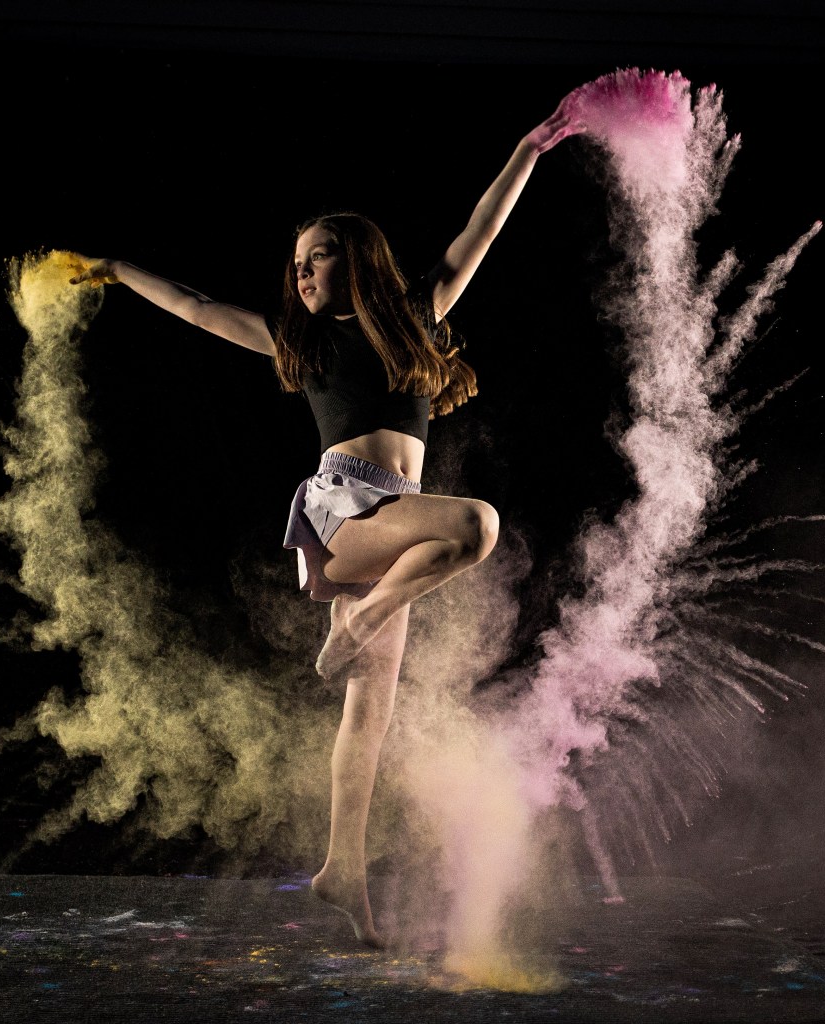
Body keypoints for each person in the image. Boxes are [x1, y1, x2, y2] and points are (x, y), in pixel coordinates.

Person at [69, 91, 585, 947]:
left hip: (395, 527)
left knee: (369, 713)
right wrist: (119, 269)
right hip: (347, 508)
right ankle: (359, 627)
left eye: (318, 258)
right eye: (298, 265)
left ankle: (344, 869)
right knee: (479, 527)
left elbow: (481, 226)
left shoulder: (421, 311)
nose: (303, 274)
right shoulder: (296, 342)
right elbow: (197, 305)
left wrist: (529, 149)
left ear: (360, 261)